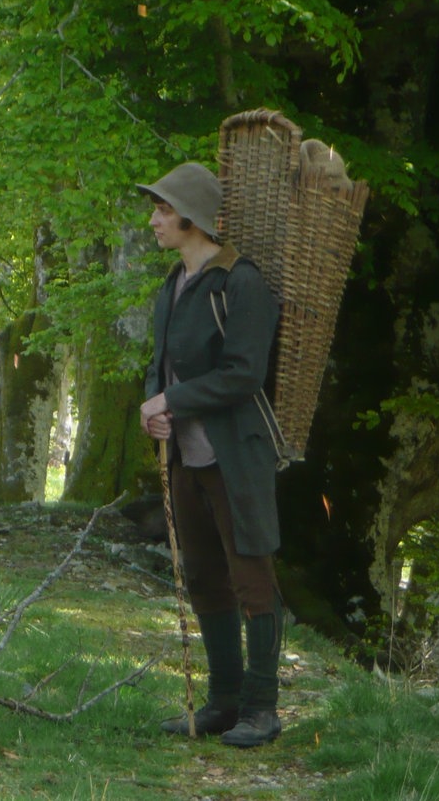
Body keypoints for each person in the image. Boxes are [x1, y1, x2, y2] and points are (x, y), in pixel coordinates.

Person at [136, 162, 285, 748]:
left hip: (236, 456)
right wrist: (155, 408)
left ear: (192, 219)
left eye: (163, 210)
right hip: (185, 458)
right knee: (202, 575)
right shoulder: (172, 284)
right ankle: (224, 703)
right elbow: (161, 366)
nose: (154, 220)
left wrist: (172, 399)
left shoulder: (240, 283)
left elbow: (244, 374)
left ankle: (262, 709)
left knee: (251, 577)